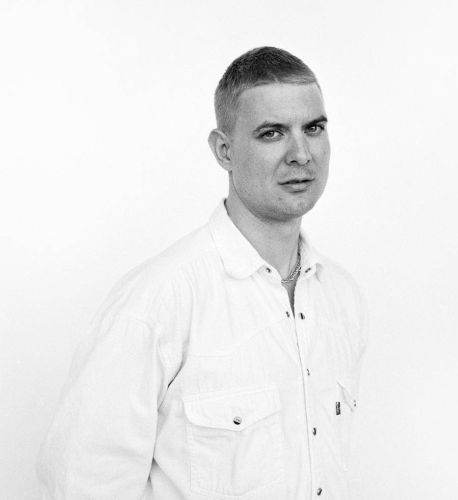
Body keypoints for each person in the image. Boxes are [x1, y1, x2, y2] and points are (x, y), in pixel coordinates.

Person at [37, 46, 368, 500]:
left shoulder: (341, 298)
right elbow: (82, 485)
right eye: (272, 133)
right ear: (224, 150)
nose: (301, 153)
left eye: (313, 128)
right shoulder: (156, 304)